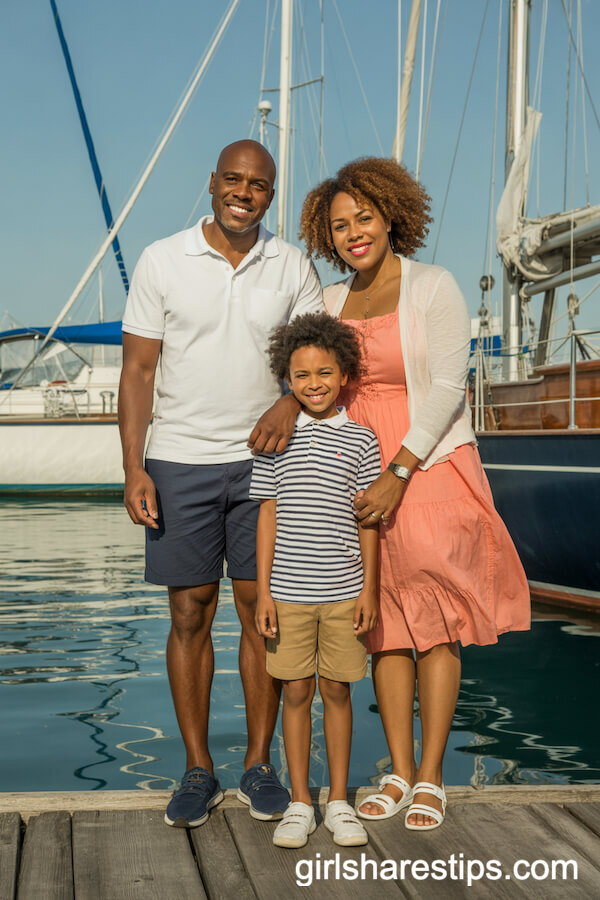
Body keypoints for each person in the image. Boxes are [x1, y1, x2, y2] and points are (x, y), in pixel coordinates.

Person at [299, 157, 530, 831]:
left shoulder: (434, 285)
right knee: (384, 622)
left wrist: (398, 470)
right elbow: (318, 382)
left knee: (436, 620)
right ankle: (398, 770)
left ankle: (432, 775)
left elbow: (448, 386)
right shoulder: (329, 302)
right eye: (339, 225)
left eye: (363, 218)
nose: (352, 233)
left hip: (423, 463)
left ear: (391, 216)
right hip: (355, 465)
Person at [118, 140, 324, 828]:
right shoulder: (162, 259)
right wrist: (133, 466)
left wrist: (291, 402)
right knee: (189, 612)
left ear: (271, 193)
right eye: (233, 180)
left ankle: (259, 765)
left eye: (258, 185)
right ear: (212, 184)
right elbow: (139, 373)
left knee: (259, 610)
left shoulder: (291, 264)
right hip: (179, 458)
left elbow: (316, 358)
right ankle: (198, 769)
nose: (244, 192)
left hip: (269, 461)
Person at [250, 312, 381, 849]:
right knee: (296, 692)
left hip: (345, 594)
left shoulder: (361, 440)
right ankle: (301, 801)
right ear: (287, 379)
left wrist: (370, 588)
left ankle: (338, 801)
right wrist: (263, 591)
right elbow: (267, 516)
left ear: (344, 373)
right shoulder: (276, 439)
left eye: (325, 372)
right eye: (301, 376)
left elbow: (367, 519)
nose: (314, 384)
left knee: (337, 691)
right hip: (288, 595)